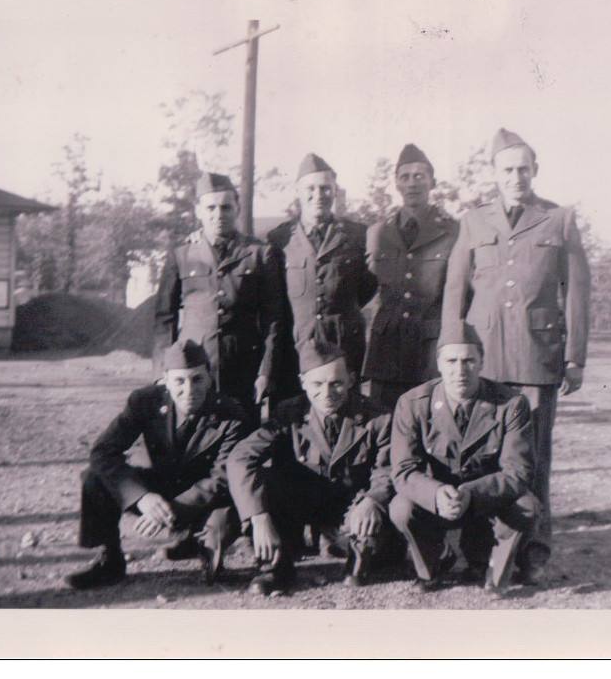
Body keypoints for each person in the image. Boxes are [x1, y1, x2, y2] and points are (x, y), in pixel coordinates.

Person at [441, 128, 591, 584]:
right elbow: (455, 289)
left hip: (535, 357)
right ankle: (479, 546)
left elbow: (578, 291)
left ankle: (534, 550)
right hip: (483, 358)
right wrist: (451, 350)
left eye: (523, 168)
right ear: (494, 174)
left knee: (534, 458)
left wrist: (575, 356)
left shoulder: (559, 219)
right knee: (482, 458)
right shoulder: (473, 221)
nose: (516, 177)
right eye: (506, 169)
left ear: (535, 170)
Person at [65, 340, 252, 589]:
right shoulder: (145, 402)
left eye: (197, 379)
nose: (189, 390)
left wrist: (171, 509)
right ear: (165, 380)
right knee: (94, 476)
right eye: (179, 381)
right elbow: (103, 452)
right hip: (160, 487)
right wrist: (141, 497)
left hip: (205, 498)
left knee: (223, 521)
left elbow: (222, 478)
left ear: (209, 377)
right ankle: (109, 561)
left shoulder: (231, 414)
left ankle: (201, 547)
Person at [226, 341, 396, 595]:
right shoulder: (288, 413)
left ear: (351, 379)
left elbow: (389, 467)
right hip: (300, 506)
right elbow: (240, 458)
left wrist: (373, 500)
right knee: (265, 482)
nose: (326, 393)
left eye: (336, 383)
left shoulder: (377, 417)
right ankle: (275, 565)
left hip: (351, 508)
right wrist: (258, 515)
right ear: (303, 382)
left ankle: (360, 555)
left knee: (375, 545)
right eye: (317, 384)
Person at [389, 323, 539, 596]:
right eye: (451, 361)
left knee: (527, 505)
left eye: (469, 360)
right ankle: (432, 564)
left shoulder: (511, 403)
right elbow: (403, 470)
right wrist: (435, 493)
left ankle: (492, 567)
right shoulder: (413, 403)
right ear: (438, 364)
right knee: (401, 507)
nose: (460, 371)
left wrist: (470, 493)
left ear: (482, 361)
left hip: (485, 501)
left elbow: (518, 471)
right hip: (438, 503)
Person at [154, 172, 287, 427]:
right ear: (198, 211)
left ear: (237, 208)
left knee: (240, 438)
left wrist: (266, 371)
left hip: (243, 368)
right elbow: (164, 318)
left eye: (226, 207)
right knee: (192, 441)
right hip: (192, 369)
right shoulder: (181, 255)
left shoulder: (259, 254)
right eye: (210, 207)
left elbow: (274, 319)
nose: (218, 214)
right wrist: (164, 370)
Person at [364, 143, 460, 410]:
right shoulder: (377, 233)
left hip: (430, 351)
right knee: (384, 427)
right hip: (387, 351)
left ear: (432, 182)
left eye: (420, 176)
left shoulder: (453, 232)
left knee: (431, 424)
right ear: (396, 184)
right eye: (405, 177)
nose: (412, 183)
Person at [267, 154, 378, 379]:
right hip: (295, 350)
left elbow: (368, 285)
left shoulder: (357, 235)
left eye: (325, 188)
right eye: (310, 188)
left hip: (344, 348)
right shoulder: (278, 239)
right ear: (297, 191)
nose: (318, 195)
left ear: (335, 191)